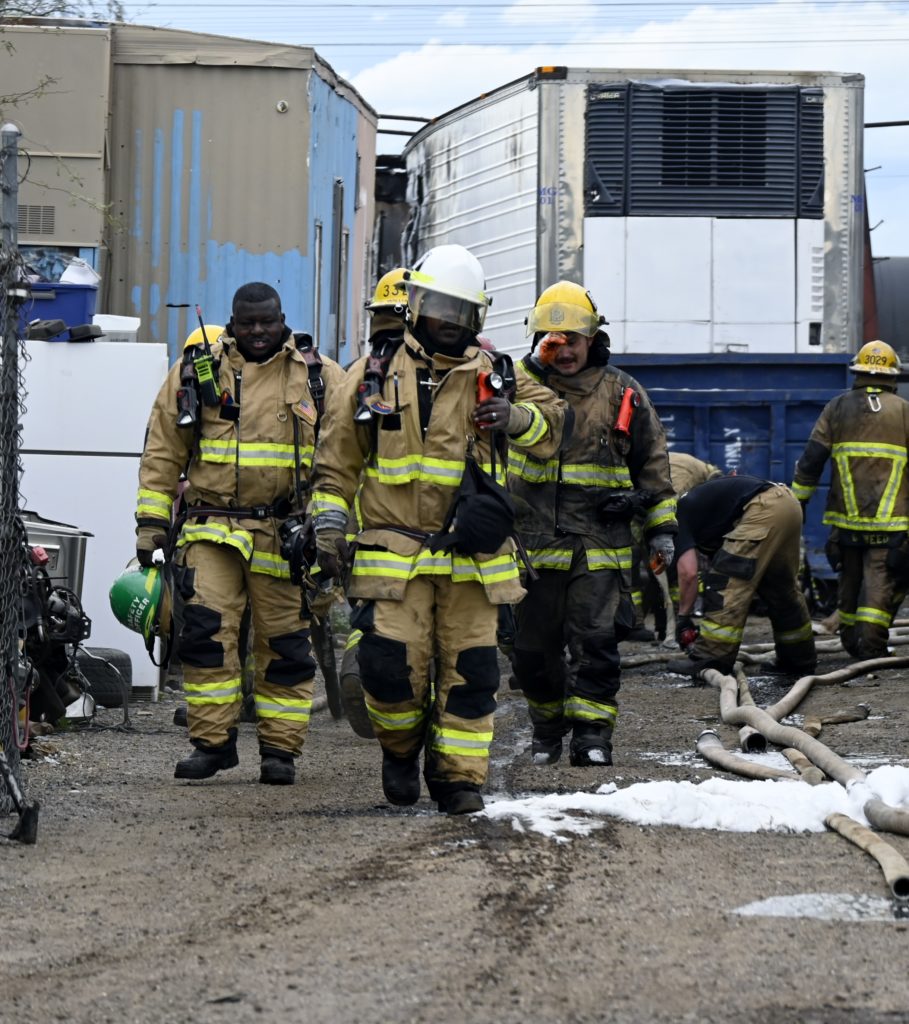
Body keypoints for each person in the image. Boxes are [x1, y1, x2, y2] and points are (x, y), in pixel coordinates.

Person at [309, 244, 566, 815]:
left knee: (471, 674)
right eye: (440, 307)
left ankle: (457, 779)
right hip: (393, 554)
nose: (450, 321)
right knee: (388, 671)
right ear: (415, 306)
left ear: (477, 315)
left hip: (475, 559)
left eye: (461, 311)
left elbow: (553, 429)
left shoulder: (498, 375)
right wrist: (328, 525)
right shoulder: (371, 376)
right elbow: (335, 466)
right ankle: (400, 751)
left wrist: (516, 417)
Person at [135, 282, 344, 785]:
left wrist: (333, 530)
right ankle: (212, 744)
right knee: (205, 636)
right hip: (212, 527)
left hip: (285, 533)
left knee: (285, 644)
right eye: (247, 323)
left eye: (267, 321)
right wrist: (151, 523)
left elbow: (343, 458)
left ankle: (280, 751)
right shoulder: (196, 369)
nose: (257, 331)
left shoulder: (318, 376)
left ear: (282, 319)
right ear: (232, 322)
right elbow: (162, 449)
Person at [508, 281, 677, 767]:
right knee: (531, 652)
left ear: (592, 338)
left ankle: (592, 738)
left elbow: (652, 463)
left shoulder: (622, 392)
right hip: (532, 547)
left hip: (600, 544)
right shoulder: (519, 386)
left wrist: (661, 529)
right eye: (553, 341)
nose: (564, 352)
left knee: (596, 645)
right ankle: (547, 730)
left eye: (573, 341)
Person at [792, 340, 909, 660]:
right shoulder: (904, 412)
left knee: (849, 587)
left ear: (857, 372)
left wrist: (798, 505)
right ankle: (871, 649)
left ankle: (854, 643)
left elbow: (811, 460)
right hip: (891, 526)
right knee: (882, 588)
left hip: (845, 525)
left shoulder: (836, 408)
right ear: (892, 376)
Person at [666, 474, 817, 678]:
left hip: (763, 508)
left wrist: (683, 618)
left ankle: (711, 657)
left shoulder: (674, 518)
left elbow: (688, 573)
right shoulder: (702, 511)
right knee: (780, 590)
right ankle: (798, 659)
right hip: (788, 503)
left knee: (727, 583)